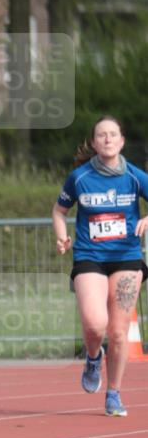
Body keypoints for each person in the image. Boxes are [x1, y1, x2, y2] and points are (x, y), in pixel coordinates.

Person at [52, 116, 148, 416]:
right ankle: (93, 357)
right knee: (95, 324)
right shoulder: (79, 177)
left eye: (113, 134)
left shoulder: (134, 177)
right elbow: (58, 210)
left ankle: (114, 393)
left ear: (121, 142)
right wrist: (62, 237)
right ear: (94, 143)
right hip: (89, 256)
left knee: (119, 332)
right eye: (101, 135)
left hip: (127, 256)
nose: (107, 139)